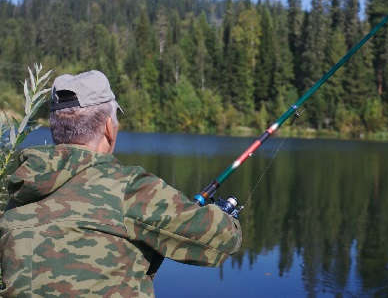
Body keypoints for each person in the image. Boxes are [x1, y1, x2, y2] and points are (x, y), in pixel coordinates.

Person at [0, 70, 242, 297]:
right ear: (108, 128)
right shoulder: (129, 188)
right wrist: (226, 217)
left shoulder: (20, 192)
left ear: (56, 131)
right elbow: (223, 239)